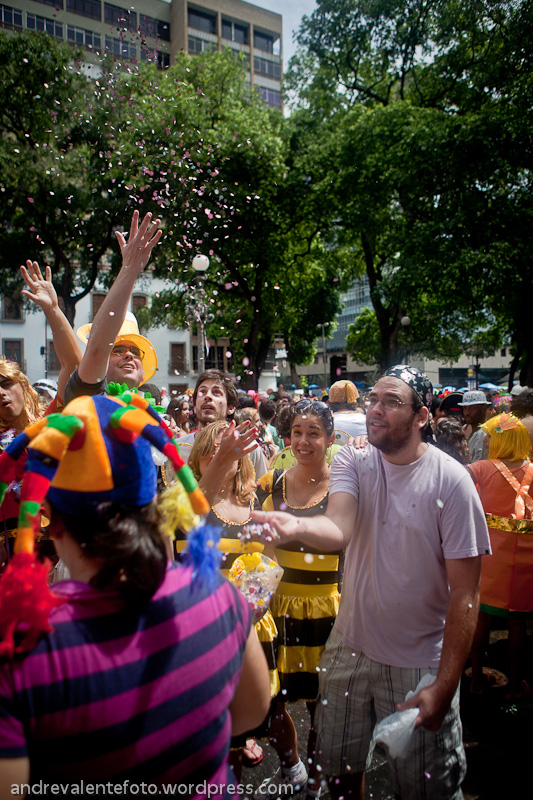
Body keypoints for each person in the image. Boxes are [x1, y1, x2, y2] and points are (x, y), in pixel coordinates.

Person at [0, 390, 270, 789]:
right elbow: (250, 711)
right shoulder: (215, 593)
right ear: (150, 504)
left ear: (50, 518)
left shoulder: (23, 648)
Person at [253, 365, 491, 800]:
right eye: (373, 400)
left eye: (391, 401)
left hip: (419, 662)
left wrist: (446, 683)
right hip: (348, 650)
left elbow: (466, 595)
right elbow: (339, 528)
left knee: (424, 790)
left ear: (422, 417)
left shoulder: (454, 483)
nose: (375, 410)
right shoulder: (354, 460)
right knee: (338, 777)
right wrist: (292, 525)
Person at [254, 400, 340, 800]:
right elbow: (264, 553)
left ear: (330, 439)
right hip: (279, 608)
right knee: (274, 701)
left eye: (314, 433)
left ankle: (319, 776)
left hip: (329, 609)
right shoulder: (272, 482)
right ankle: (294, 767)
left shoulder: (343, 487)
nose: (304, 441)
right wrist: (254, 603)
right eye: (297, 433)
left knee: (325, 706)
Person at [63, 210, 162, 405]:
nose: (128, 355)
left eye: (135, 352)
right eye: (117, 349)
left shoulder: (151, 413)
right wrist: (130, 269)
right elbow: (97, 350)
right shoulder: (87, 397)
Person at [467, 412, 533, 700]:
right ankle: (516, 683)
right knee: (517, 622)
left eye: (492, 435)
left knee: (482, 618)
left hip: (490, 554)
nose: (488, 439)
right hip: (526, 557)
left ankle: (476, 677)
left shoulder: (480, 468)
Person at [176, 369, 268, 479]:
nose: (207, 396)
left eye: (216, 392)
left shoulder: (248, 449)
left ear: (231, 407)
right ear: (195, 407)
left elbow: (262, 493)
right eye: (202, 392)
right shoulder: (177, 449)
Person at [459, 390, 491, 463]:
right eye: (465, 408)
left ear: (483, 409)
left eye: (472, 408)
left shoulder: (483, 433)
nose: (467, 413)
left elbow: (479, 467)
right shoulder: (475, 432)